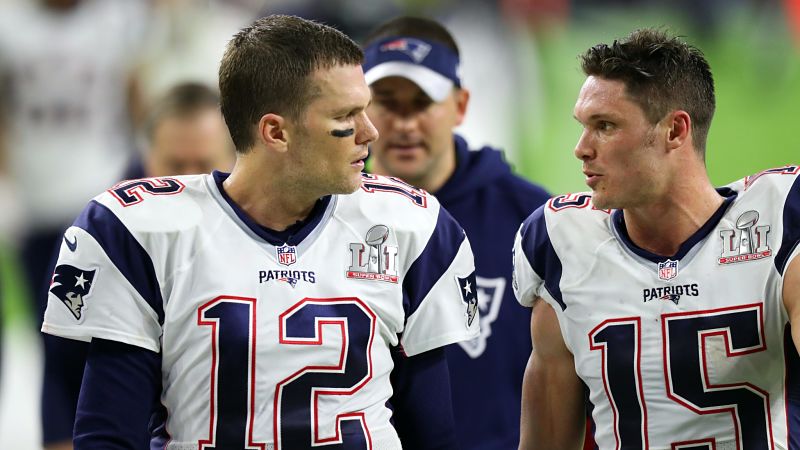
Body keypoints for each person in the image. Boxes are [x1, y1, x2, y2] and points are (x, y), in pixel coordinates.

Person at [41, 15, 479, 449]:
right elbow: (110, 434)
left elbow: (432, 434)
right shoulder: (142, 232)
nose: (370, 132)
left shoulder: (410, 226)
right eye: (346, 115)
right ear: (275, 132)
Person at [513, 28, 800, 449]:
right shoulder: (562, 242)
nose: (581, 148)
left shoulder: (778, 221)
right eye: (583, 126)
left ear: (675, 131)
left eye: (605, 126)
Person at [361, 16, 550, 449]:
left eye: (422, 102)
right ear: (361, 110)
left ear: (460, 105)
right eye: (387, 102)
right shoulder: (330, 215)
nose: (405, 124)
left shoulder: (534, 220)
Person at [39, 81, 234, 450]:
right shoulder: (100, 237)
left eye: (204, 165)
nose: (187, 179)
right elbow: (61, 360)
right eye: (175, 165)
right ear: (146, 157)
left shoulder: (259, 233)